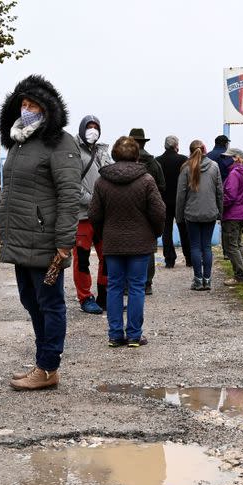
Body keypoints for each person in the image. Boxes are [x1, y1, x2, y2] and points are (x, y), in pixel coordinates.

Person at [0, 74, 81, 391]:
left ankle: (48, 367)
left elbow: (69, 196)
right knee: (30, 301)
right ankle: (42, 363)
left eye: (34, 104)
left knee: (50, 304)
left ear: (48, 109)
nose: (27, 109)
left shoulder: (60, 143)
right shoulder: (20, 142)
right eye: (24, 103)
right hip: (20, 237)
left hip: (45, 241)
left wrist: (63, 243)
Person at [88, 136, 165, 347]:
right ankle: (134, 335)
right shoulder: (146, 180)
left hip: (113, 242)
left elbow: (94, 214)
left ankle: (114, 335)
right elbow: (159, 212)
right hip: (140, 243)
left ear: (114, 154)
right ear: (136, 155)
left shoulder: (102, 181)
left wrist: (104, 233)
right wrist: (155, 233)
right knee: (137, 288)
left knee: (114, 287)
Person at [73, 114, 111, 313]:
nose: (93, 130)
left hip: (102, 216)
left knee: (107, 256)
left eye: (96, 126)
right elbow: (71, 185)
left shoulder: (103, 152)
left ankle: (105, 296)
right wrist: (94, 200)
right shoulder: (72, 152)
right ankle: (85, 297)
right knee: (82, 258)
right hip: (82, 216)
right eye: (89, 126)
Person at [175, 140, 223, 291]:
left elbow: (181, 195)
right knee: (206, 247)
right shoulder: (214, 166)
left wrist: (179, 215)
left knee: (195, 246)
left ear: (190, 151)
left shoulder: (186, 168)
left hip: (192, 213)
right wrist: (219, 212)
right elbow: (220, 192)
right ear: (205, 149)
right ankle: (207, 280)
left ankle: (197, 280)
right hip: (210, 212)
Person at [128, 128, 165, 295]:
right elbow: (162, 187)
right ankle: (147, 283)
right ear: (144, 143)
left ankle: (128, 284)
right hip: (148, 212)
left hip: (127, 210)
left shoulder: (123, 164)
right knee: (148, 249)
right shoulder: (154, 163)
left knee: (127, 247)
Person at [156, 135, 191, 268]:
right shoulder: (183, 160)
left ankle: (169, 260)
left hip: (163, 201)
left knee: (166, 231)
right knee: (184, 229)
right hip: (180, 200)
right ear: (176, 145)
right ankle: (189, 258)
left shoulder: (157, 161)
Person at [220, 148, 243, 286]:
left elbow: (230, 196)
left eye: (228, 157)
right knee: (238, 245)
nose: (225, 160)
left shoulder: (234, 173)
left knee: (231, 246)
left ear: (235, 158)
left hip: (232, 214)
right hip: (241, 213)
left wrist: (220, 205)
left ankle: (240, 276)